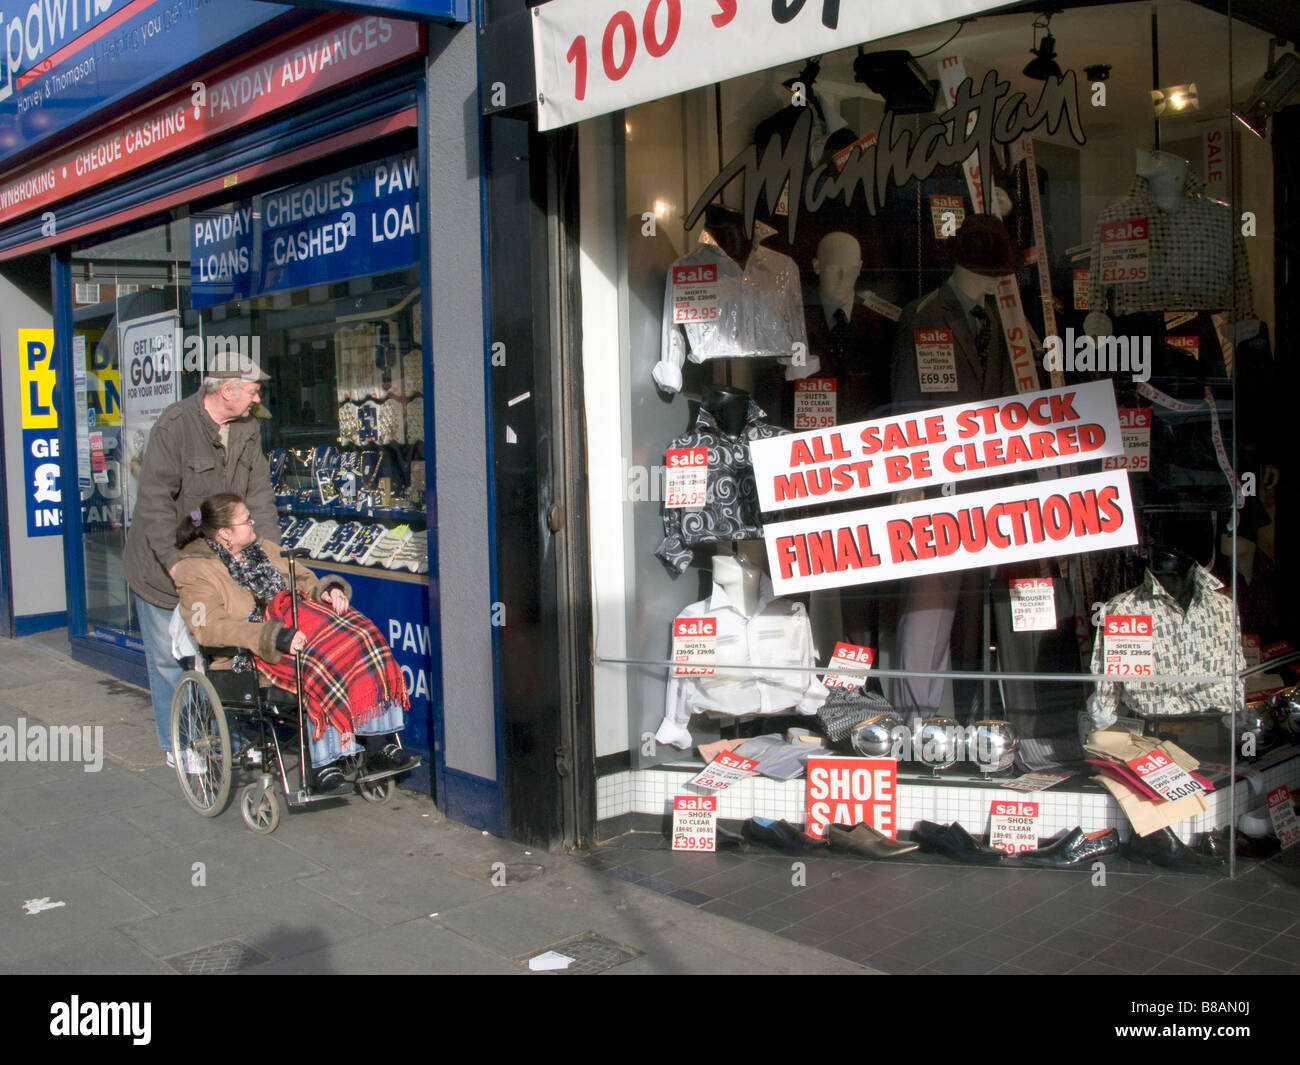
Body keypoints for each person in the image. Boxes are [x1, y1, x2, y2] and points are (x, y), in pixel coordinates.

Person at [172, 493, 415, 791]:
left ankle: (379, 743)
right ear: (224, 533)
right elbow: (209, 629)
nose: (252, 523)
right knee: (319, 658)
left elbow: (304, 580)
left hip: (299, 627)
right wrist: (270, 635)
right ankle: (323, 763)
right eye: (245, 520)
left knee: (364, 636)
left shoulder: (264, 549)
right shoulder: (195, 570)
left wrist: (328, 591)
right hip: (251, 651)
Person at [123, 358, 278, 769]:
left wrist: (271, 556)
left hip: (220, 564)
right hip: (162, 564)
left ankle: (232, 735)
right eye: (252, 389)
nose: (258, 397)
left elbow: (258, 496)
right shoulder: (175, 426)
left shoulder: (247, 428)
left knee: (225, 650)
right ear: (225, 391)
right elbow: (155, 504)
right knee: (170, 660)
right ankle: (182, 744)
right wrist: (174, 564)